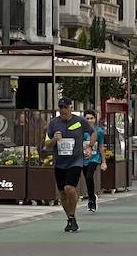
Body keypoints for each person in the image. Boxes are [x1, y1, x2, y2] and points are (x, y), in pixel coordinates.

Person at [45, 96, 95, 232]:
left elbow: (92, 133)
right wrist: (54, 139)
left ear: (71, 108)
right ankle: (70, 219)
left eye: (65, 107)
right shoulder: (53, 123)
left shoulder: (80, 121)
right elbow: (47, 144)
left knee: (70, 188)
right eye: (60, 108)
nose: (63, 110)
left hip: (75, 161)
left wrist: (90, 146)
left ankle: (72, 215)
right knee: (62, 193)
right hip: (59, 162)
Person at [82, 109, 107, 212]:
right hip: (83, 158)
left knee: (89, 176)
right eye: (87, 118)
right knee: (87, 179)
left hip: (94, 158)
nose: (89, 120)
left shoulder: (99, 131)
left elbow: (101, 147)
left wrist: (104, 161)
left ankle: (91, 200)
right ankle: (92, 196)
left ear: (95, 119)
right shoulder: (81, 131)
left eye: (91, 118)